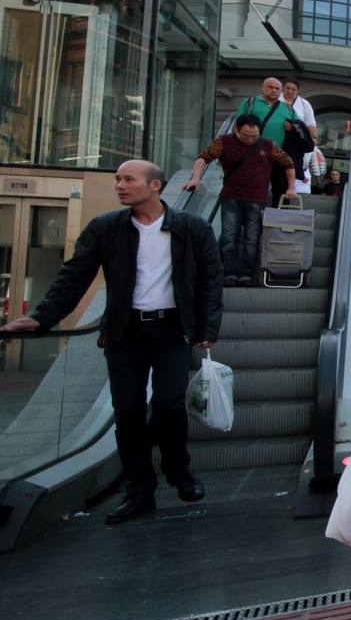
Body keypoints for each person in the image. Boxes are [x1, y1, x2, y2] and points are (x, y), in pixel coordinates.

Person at [0, 161, 223, 523]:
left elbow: (212, 280)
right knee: (128, 412)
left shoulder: (191, 227)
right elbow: (74, 276)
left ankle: (178, 470)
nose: (119, 185)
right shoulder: (105, 228)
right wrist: (42, 317)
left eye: (127, 179)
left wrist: (207, 329)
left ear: (154, 185)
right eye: (117, 179)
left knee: (169, 405)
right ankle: (139, 490)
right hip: (124, 333)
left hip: (172, 331)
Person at [183, 114, 296, 287]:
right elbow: (203, 158)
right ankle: (229, 273)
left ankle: (246, 275)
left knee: (251, 238)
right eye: (246, 135)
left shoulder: (267, 144)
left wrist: (291, 187)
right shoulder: (223, 141)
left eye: (255, 136)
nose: (251, 139)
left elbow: (288, 162)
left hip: (257, 198)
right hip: (231, 197)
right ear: (237, 129)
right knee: (229, 236)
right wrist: (196, 179)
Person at [233, 77, 292, 147]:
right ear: (262, 87)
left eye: (277, 88)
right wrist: (235, 145)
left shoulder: (288, 108)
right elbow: (237, 125)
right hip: (252, 151)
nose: (274, 90)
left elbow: (299, 127)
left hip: (279, 153)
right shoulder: (250, 102)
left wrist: (292, 127)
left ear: (281, 91)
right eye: (270, 87)